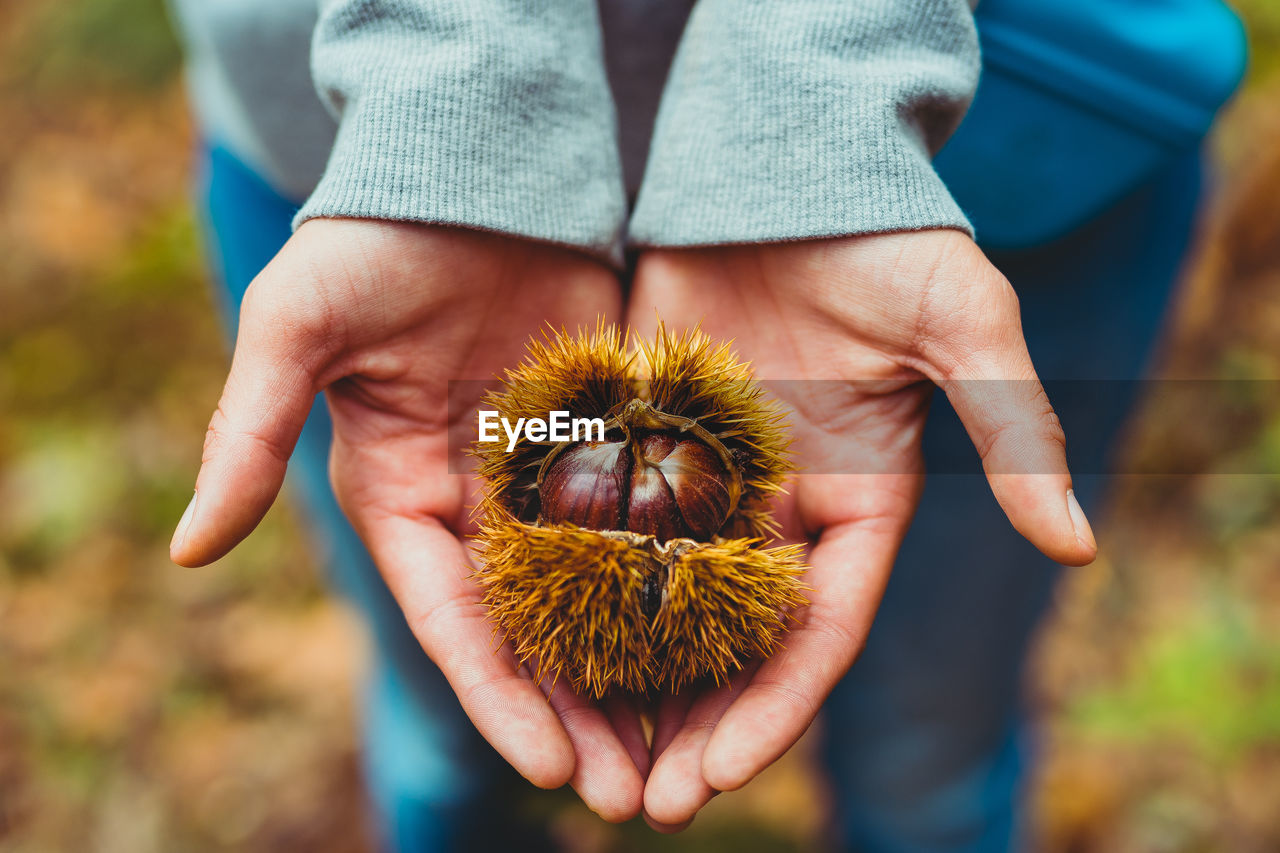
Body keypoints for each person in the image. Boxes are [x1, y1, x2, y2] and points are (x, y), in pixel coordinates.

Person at [165, 0, 1240, 849]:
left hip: (998, 156)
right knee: (447, 736)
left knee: (929, 757)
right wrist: (456, 117)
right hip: (364, 175)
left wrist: (817, 100)